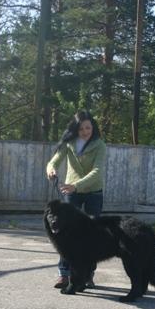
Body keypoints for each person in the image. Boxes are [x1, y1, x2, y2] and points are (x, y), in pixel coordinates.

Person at [46, 109, 107, 289]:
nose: (85, 132)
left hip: (93, 193)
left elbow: (97, 172)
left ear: (93, 127)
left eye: (88, 128)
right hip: (71, 193)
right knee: (66, 235)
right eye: (81, 129)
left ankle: (87, 275)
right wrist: (50, 170)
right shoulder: (69, 143)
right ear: (76, 129)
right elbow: (53, 161)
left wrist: (76, 185)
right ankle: (63, 275)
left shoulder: (100, 145)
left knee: (92, 236)